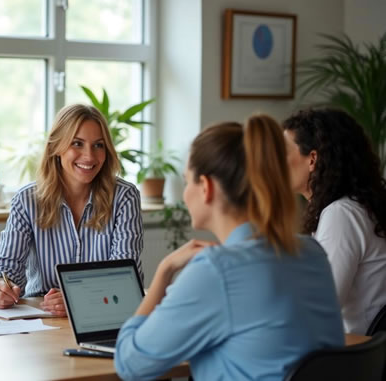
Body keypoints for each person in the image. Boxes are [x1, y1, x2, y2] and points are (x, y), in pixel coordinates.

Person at [114, 116, 344, 380]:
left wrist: (163, 272)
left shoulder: (217, 270)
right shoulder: (312, 252)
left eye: (188, 181)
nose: (186, 191)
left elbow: (131, 364)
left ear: (206, 188)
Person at [0, 104, 144, 316]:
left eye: (98, 145)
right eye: (77, 143)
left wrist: (79, 299)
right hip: (42, 319)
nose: (89, 156)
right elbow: (6, 268)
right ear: (56, 147)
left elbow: (125, 280)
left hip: (104, 316)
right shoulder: (27, 200)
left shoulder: (124, 197)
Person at [283, 108, 386, 334]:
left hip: (351, 357)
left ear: (312, 159)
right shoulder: (354, 206)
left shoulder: (341, 214)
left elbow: (321, 306)